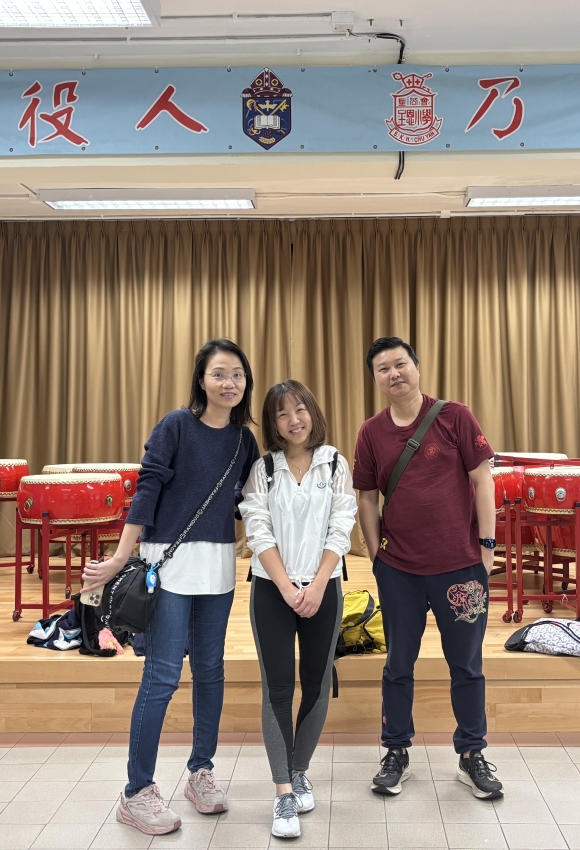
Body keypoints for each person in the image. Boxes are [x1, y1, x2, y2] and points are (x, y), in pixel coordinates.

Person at [82, 339, 261, 836]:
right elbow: (148, 489)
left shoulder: (244, 441)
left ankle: (201, 772)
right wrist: (121, 556)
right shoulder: (176, 426)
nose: (230, 383)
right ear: (201, 379)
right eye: (219, 373)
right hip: (168, 567)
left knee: (210, 671)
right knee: (161, 675)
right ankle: (136, 792)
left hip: (218, 569)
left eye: (238, 374)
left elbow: (249, 501)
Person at [352, 336, 502, 800]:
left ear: (416, 367)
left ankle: (472, 754)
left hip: (461, 568)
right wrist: (375, 555)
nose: (394, 373)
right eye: (383, 368)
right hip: (399, 570)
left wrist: (487, 548)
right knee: (398, 664)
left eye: (400, 364)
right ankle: (395, 751)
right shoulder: (371, 432)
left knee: (467, 665)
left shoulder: (455, 416)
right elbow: (366, 498)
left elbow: (483, 481)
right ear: (375, 379)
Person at [238, 380, 356, 839]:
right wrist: (288, 588)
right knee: (278, 688)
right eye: (282, 413)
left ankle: (300, 769)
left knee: (317, 683)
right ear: (273, 423)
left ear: (313, 412)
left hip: (324, 587)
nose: (294, 420)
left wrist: (319, 583)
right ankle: (283, 791)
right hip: (272, 590)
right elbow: (258, 530)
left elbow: (341, 526)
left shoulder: (335, 463)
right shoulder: (263, 469)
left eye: (300, 409)